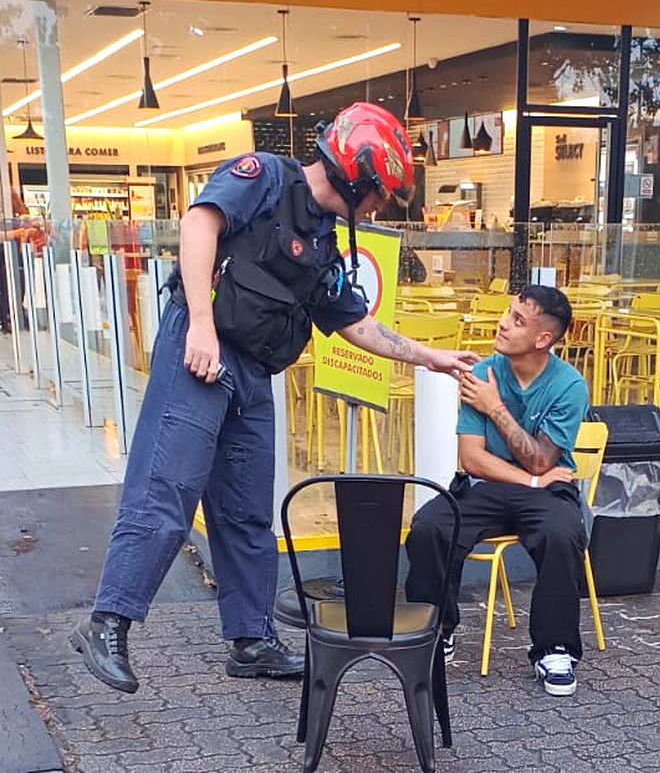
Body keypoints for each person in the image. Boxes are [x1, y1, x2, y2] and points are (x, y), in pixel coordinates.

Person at [71, 103, 478, 694]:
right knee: (168, 489)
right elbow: (198, 225)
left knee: (247, 514)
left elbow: (355, 323)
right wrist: (202, 327)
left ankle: (251, 640)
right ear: (356, 174)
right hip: (201, 351)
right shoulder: (261, 176)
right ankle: (109, 621)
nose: (379, 206)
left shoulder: (324, 244)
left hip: (255, 372)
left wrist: (430, 357)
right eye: (380, 193)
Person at [404, 285, 590, 696]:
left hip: (546, 493)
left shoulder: (568, 386)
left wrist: (496, 409)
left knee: (563, 532)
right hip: (491, 486)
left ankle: (554, 648)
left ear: (543, 340)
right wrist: (532, 479)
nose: (503, 324)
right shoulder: (483, 372)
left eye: (518, 321)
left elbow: (542, 458)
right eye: (508, 313)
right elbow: (471, 459)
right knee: (430, 526)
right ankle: (436, 628)